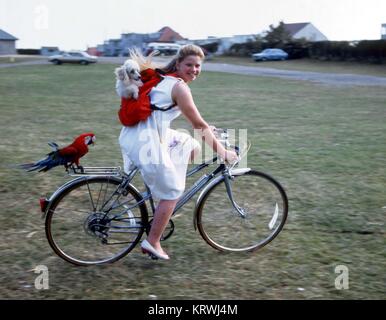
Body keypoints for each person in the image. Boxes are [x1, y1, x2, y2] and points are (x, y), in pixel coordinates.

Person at [119, 44, 238, 260]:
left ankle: (162, 181)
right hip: (146, 141)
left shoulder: (166, 79)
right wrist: (224, 152)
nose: (194, 69)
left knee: (191, 146)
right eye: (189, 65)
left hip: (138, 134)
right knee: (173, 193)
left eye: (197, 66)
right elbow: (197, 124)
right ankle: (152, 242)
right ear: (179, 64)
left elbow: (194, 123)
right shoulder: (179, 87)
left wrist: (205, 128)